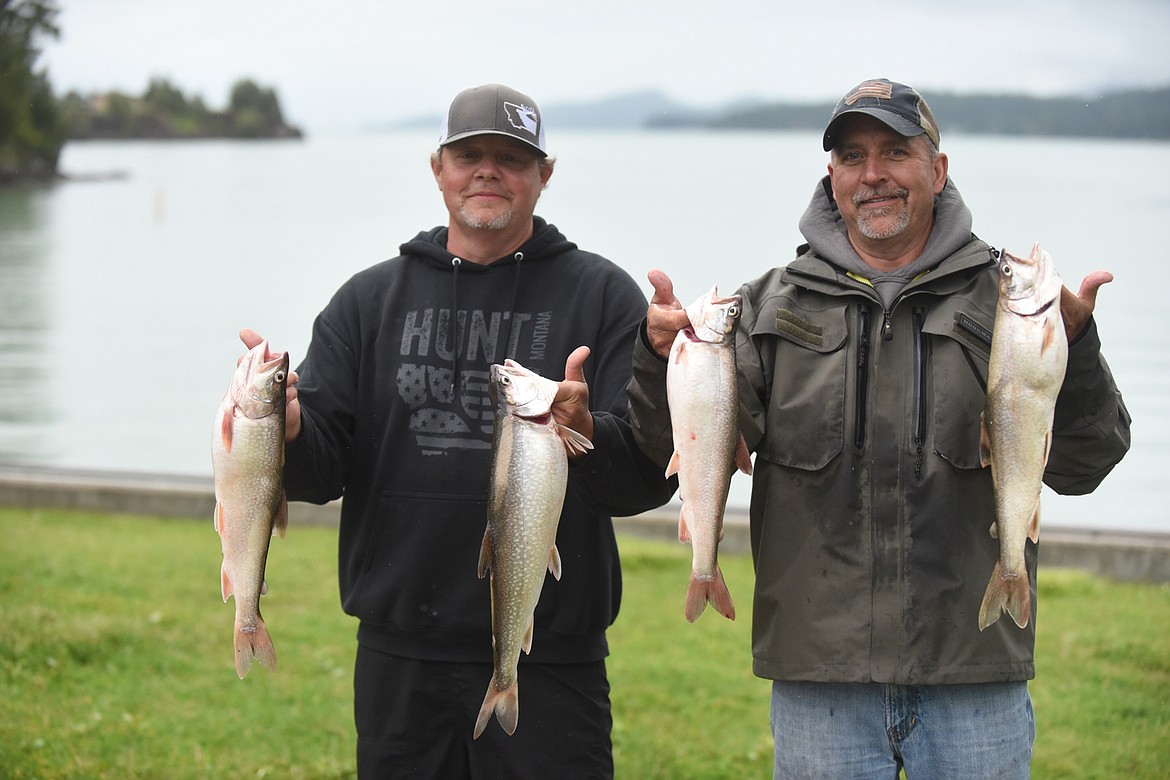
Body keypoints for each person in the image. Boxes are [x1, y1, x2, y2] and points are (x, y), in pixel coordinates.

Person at [627, 78, 1131, 779]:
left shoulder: (1014, 305)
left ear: (939, 169)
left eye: (896, 152)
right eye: (853, 157)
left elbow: (1085, 466)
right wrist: (660, 366)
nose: (874, 175)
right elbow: (675, 451)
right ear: (831, 176)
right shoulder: (764, 307)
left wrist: (1074, 356)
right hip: (819, 680)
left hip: (974, 669)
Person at [242, 83, 674, 778]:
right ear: (438, 168)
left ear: (544, 175)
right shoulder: (367, 302)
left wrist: (588, 427)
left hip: (551, 656)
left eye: (511, 158)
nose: (488, 171)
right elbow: (320, 474)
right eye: (469, 154)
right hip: (400, 654)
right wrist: (288, 431)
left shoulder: (601, 296)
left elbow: (646, 478)